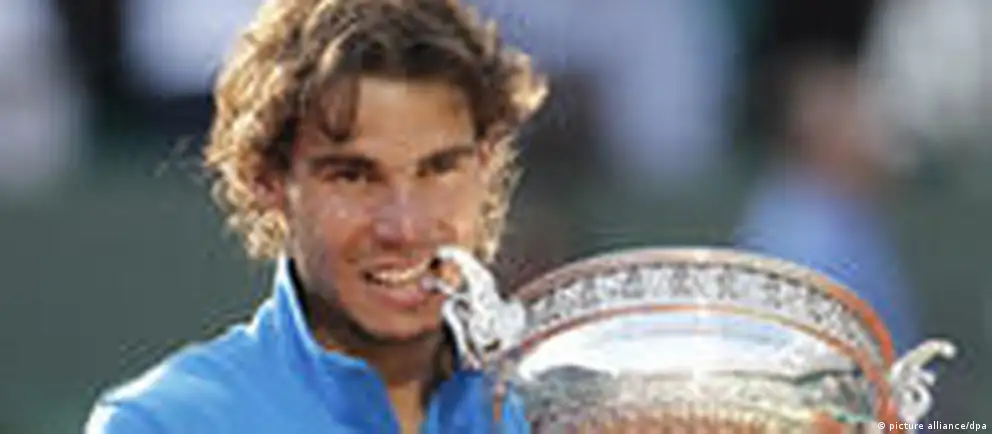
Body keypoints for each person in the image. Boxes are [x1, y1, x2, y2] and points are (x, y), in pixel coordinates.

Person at [85, 0, 547, 432]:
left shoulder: (550, 405)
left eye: (439, 169)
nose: (405, 227)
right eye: (354, 176)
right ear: (267, 180)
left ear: (486, 165)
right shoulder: (164, 423)